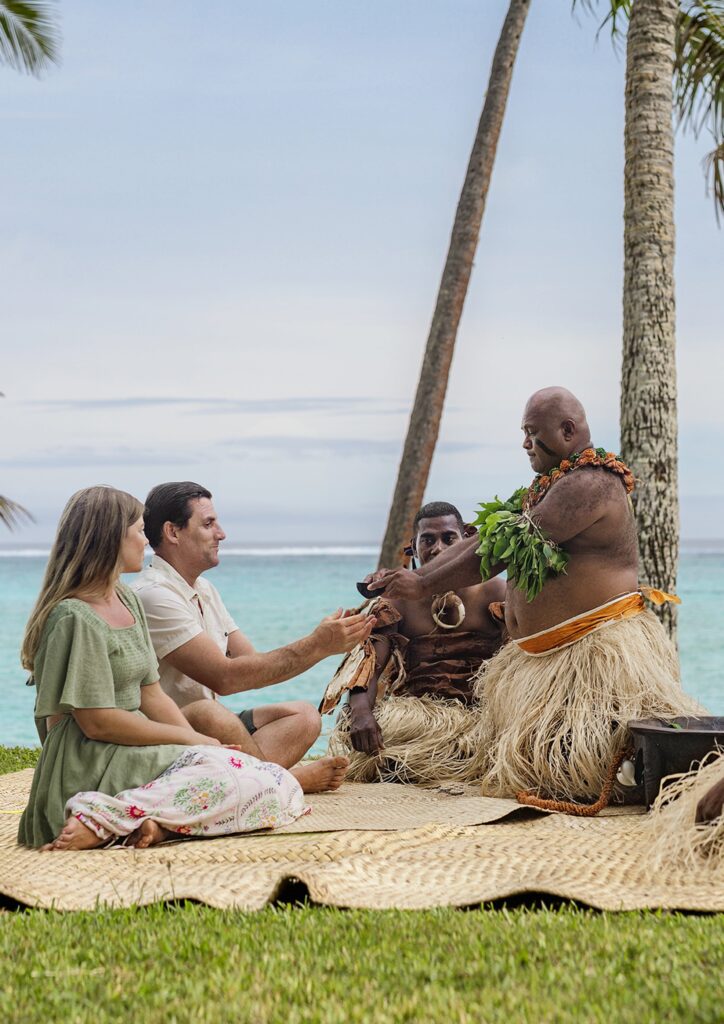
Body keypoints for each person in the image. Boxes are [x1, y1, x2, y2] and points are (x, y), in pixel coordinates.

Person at [365, 387, 702, 803]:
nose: (525, 443)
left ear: (567, 430)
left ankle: (629, 773)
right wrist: (411, 578)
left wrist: (420, 583)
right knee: (523, 768)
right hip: (545, 661)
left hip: (592, 655)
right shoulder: (550, 486)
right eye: (523, 432)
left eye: (532, 432)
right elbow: (487, 538)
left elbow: (501, 547)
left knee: (579, 771)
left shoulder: (592, 485)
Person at [18, 487, 313, 851]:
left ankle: (154, 826)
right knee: (241, 778)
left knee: (265, 781)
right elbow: (97, 722)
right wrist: (191, 740)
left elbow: (151, 693)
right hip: (89, 756)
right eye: (140, 531)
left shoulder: (127, 600)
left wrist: (204, 748)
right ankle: (100, 816)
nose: (146, 541)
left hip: (130, 745)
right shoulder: (74, 617)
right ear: (111, 537)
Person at [132, 482, 374, 792]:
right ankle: (283, 783)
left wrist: (323, 645)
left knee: (304, 716)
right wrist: (317, 645)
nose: (222, 533)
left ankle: (252, 781)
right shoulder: (154, 595)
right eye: (208, 524)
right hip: (172, 736)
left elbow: (251, 665)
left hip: (210, 735)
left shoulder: (204, 590)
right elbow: (226, 679)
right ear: (173, 532)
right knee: (208, 713)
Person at [320, 502, 506, 784]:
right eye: (428, 540)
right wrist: (360, 713)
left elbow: (524, 653)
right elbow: (368, 664)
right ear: (413, 547)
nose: (438, 548)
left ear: (467, 538)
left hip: (482, 716)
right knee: (366, 729)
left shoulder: (495, 591)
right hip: (419, 718)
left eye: (449, 538)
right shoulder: (396, 602)